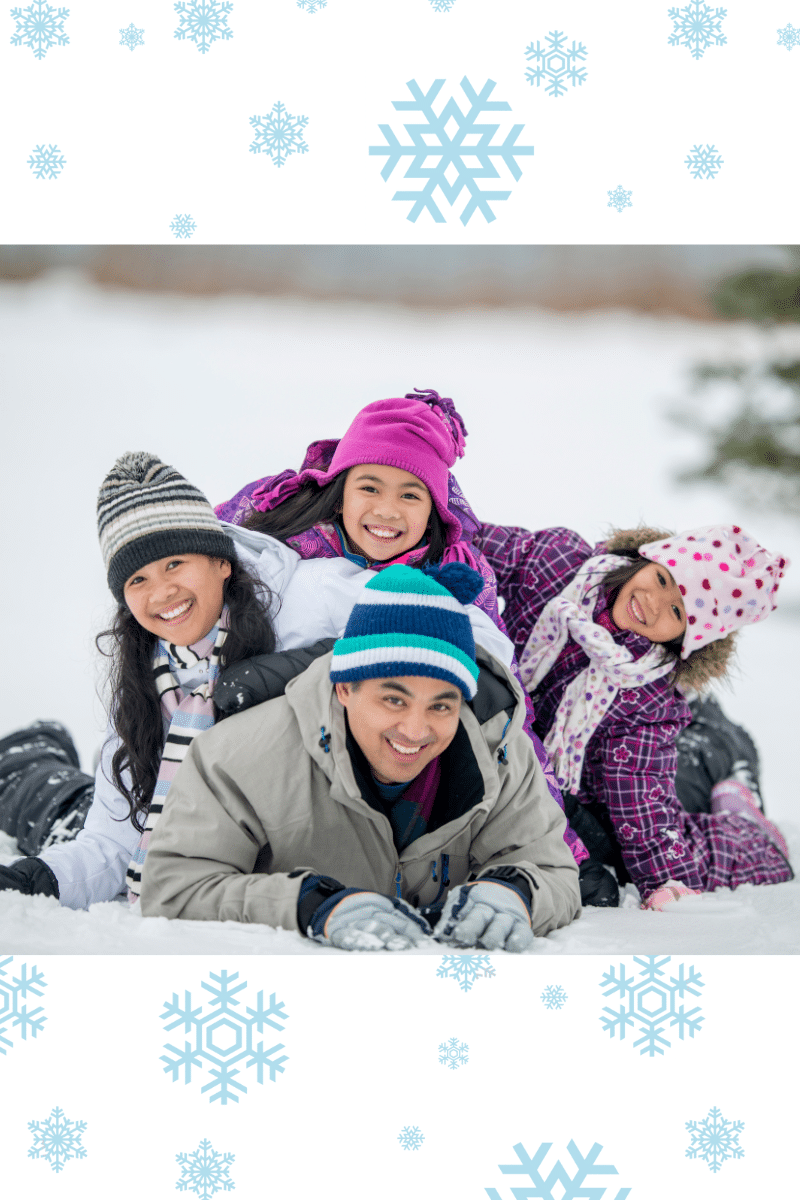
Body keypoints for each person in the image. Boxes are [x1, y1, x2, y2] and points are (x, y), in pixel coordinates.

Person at [0, 452, 515, 908]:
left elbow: (473, 637)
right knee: (58, 808)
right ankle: (25, 755)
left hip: (267, 839)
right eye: (137, 580)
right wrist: (34, 879)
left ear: (221, 561)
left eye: (175, 563)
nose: (161, 594)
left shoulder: (305, 595)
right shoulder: (145, 678)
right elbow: (112, 846)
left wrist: (313, 660)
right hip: (172, 831)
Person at [214, 387, 591, 885]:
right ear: (340, 489)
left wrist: (565, 850)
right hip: (295, 747)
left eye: (410, 495)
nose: (388, 511)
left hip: (405, 752)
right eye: (370, 487)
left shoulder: (454, 573)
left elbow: (501, 702)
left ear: (433, 509)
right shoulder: (289, 547)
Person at [139, 563, 581, 951]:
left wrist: (515, 893)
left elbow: (550, 870)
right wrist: (308, 905)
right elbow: (176, 885)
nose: (415, 730)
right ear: (345, 687)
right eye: (393, 700)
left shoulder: (502, 754)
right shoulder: (235, 756)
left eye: (441, 706)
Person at [476, 521, 793, 909]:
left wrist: (667, 882)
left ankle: (745, 818)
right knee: (693, 735)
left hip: (595, 796)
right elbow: (463, 538)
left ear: (685, 638)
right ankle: (707, 723)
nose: (653, 602)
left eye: (677, 609)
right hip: (537, 753)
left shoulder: (647, 702)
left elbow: (639, 803)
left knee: (697, 769)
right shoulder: (556, 564)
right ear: (646, 557)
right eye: (662, 579)